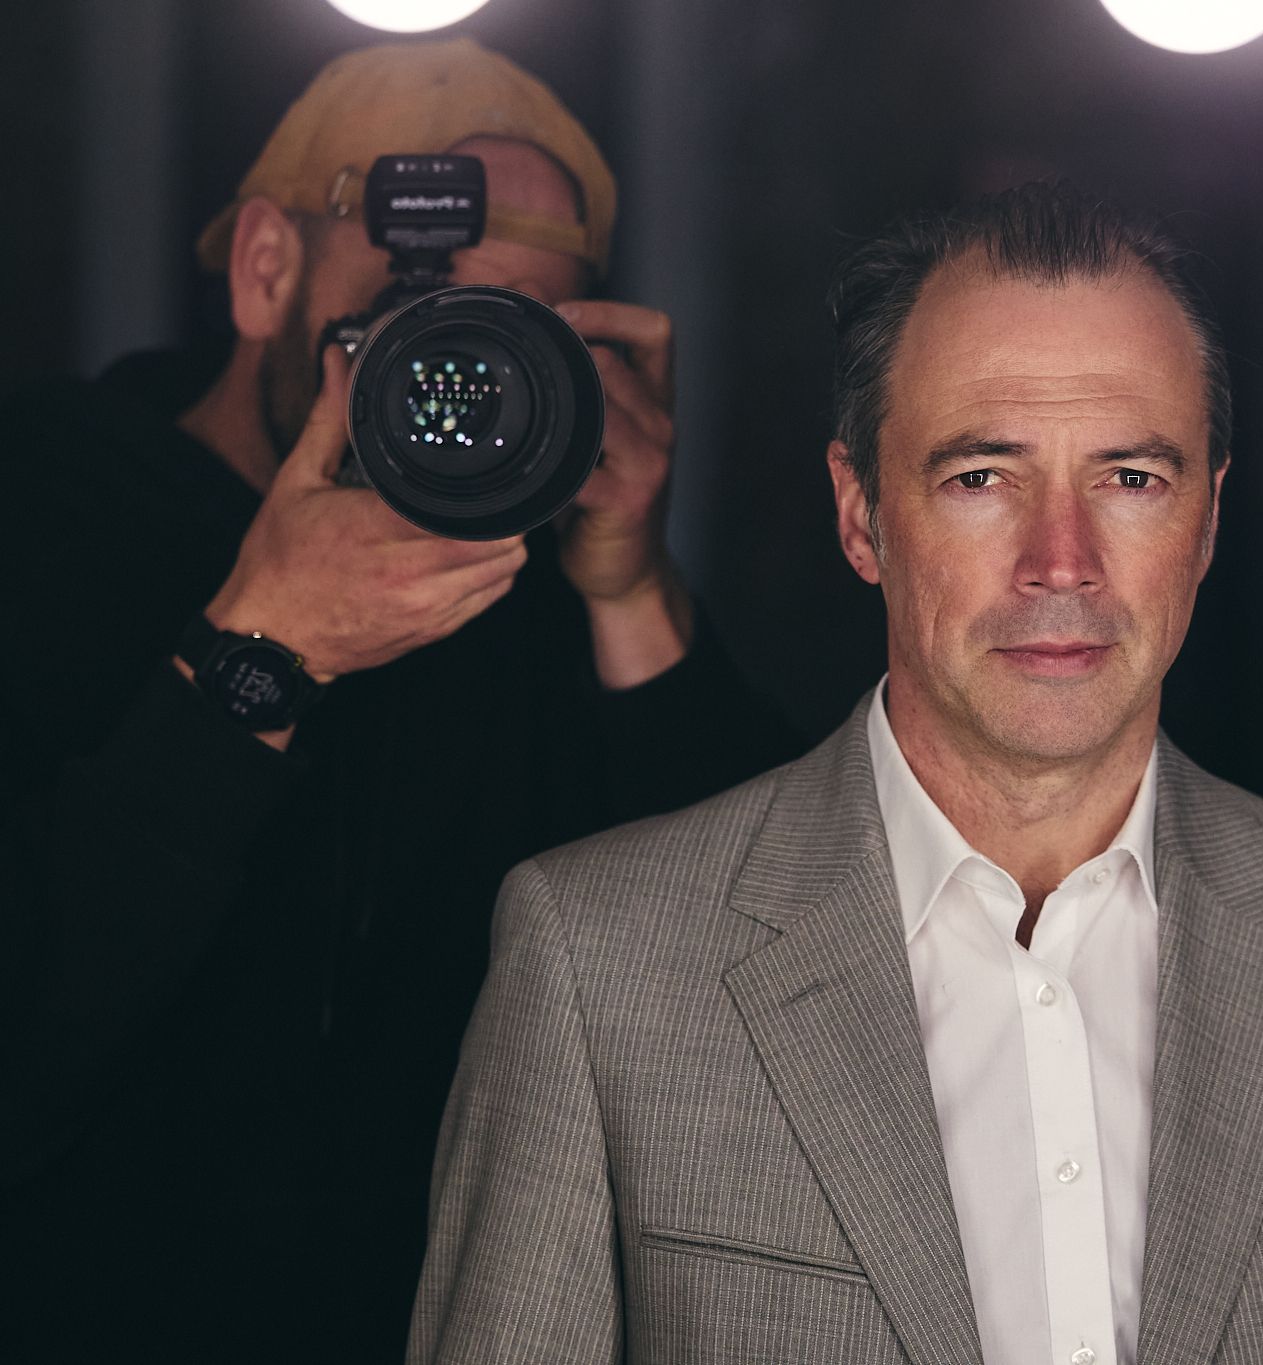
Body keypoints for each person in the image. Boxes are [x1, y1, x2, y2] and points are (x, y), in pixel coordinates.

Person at [409, 182, 1263, 1364]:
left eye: (1130, 478)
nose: (1059, 562)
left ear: (1208, 521)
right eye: (981, 476)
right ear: (860, 514)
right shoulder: (595, 962)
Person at [0, 38, 799, 1362]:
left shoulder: (530, 590)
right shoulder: (37, 511)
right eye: (415, 321)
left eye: (507, 343)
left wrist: (628, 587)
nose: (449, 390)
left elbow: (754, 992)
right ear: (267, 272)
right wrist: (264, 641)